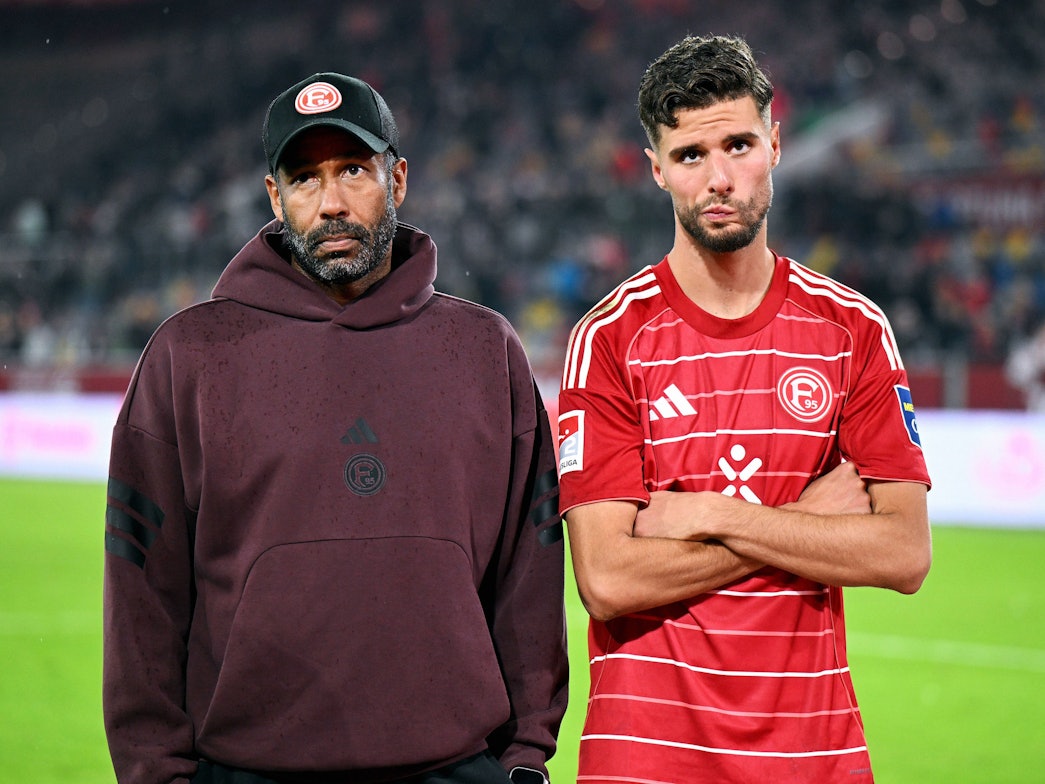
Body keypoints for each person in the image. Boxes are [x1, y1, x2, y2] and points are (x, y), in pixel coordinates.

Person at [103, 72, 568, 784]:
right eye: (303, 178)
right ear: (273, 197)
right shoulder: (188, 355)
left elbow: (528, 571)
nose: (330, 204)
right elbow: (142, 590)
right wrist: (153, 771)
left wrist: (526, 753)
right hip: (246, 769)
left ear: (398, 179)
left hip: (455, 767)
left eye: (353, 170)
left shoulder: (484, 350)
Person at [556, 35, 932, 782]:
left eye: (738, 144)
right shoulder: (607, 339)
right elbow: (608, 581)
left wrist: (714, 513)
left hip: (811, 759)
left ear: (776, 144)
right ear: (656, 168)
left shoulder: (850, 327)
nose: (719, 178)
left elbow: (903, 554)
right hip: (645, 759)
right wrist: (802, 519)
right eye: (691, 155)